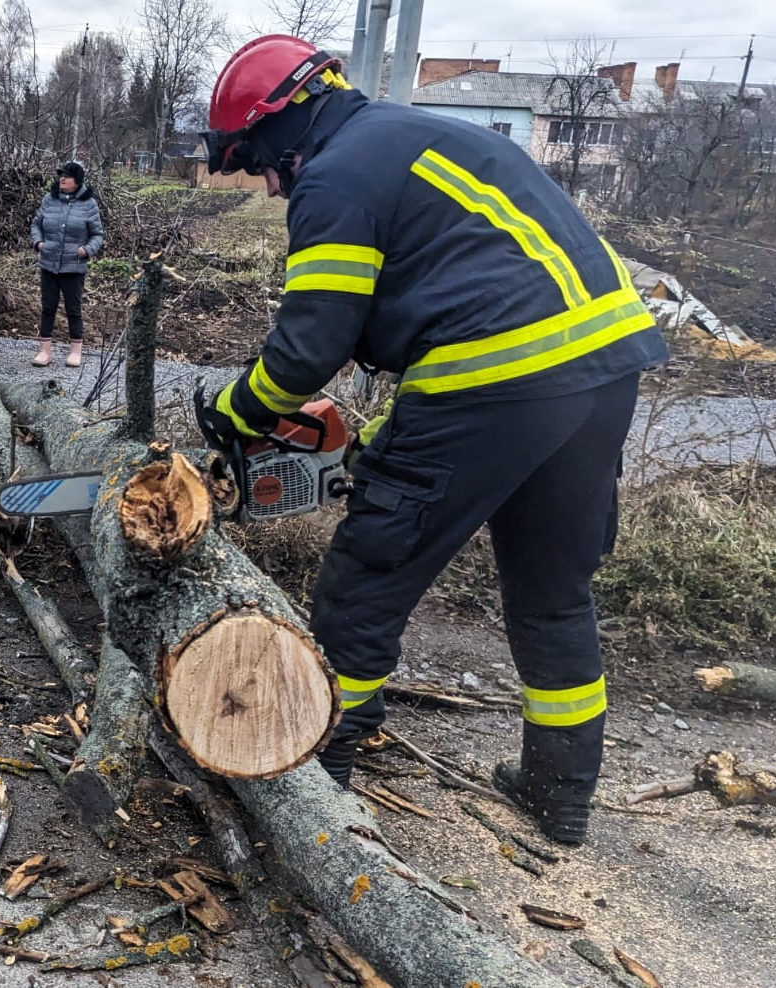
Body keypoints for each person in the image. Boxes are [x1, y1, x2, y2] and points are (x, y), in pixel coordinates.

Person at [199, 35, 669, 845]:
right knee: (552, 592)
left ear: (282, 126)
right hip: (601, 375)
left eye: (257, 161)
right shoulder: (424, 137)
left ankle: (317, 776)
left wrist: (237, 413)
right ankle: (559, 792)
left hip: (493, 379)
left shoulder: (337, 176)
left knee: (365, 578)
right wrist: (376, 434)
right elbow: (460, 289)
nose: (267, 183)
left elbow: (312, 344)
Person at [29, 160, 104, 368]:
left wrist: (85, 250)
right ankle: (44, 351)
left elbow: (97, 235)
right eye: (61, 175)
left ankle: (75, 351)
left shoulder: (89, 204)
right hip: (48, 263)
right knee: (48, 308)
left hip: (74, 266)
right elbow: (36, 225)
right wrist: (39, 243)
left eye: (67, 176)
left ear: (77, 181)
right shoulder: (49, 199)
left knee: (73, 309)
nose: (62, 179)